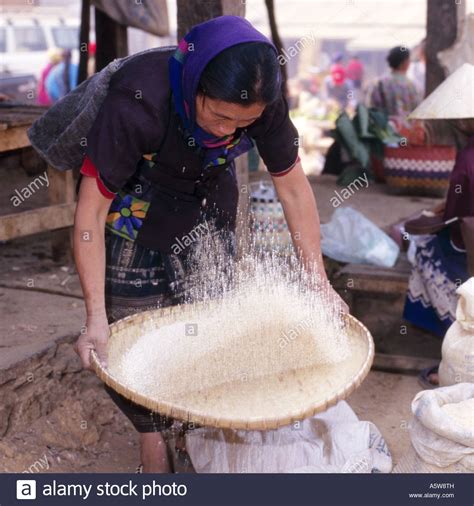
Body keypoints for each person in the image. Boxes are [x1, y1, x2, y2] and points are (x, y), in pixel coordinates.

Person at [73, 16, 345, 473]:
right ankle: (150, 438)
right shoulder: (138, 101)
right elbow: (89, 212)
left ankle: (190, 433)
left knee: (205, 327)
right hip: (130, 209)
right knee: (126, 335)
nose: (227, 131)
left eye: (245, 124)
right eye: (218, 115)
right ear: (195, 82)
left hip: (205, 201)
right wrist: (95, 317)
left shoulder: (267, 105)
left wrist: (316, 280)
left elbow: (295, 191)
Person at [402, 63, 474, 387]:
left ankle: (456, 341)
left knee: (422, 249)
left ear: (462, 120)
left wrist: (438, 215)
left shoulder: (466, 159)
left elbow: (456, 218)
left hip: (468, 252)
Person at [367, 46, 420, 122]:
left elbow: (371, 109)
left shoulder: (378, 84)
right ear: (405, 62)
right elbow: (417, 111)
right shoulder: (412, 86)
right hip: (407, 132)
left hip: (384, 131)